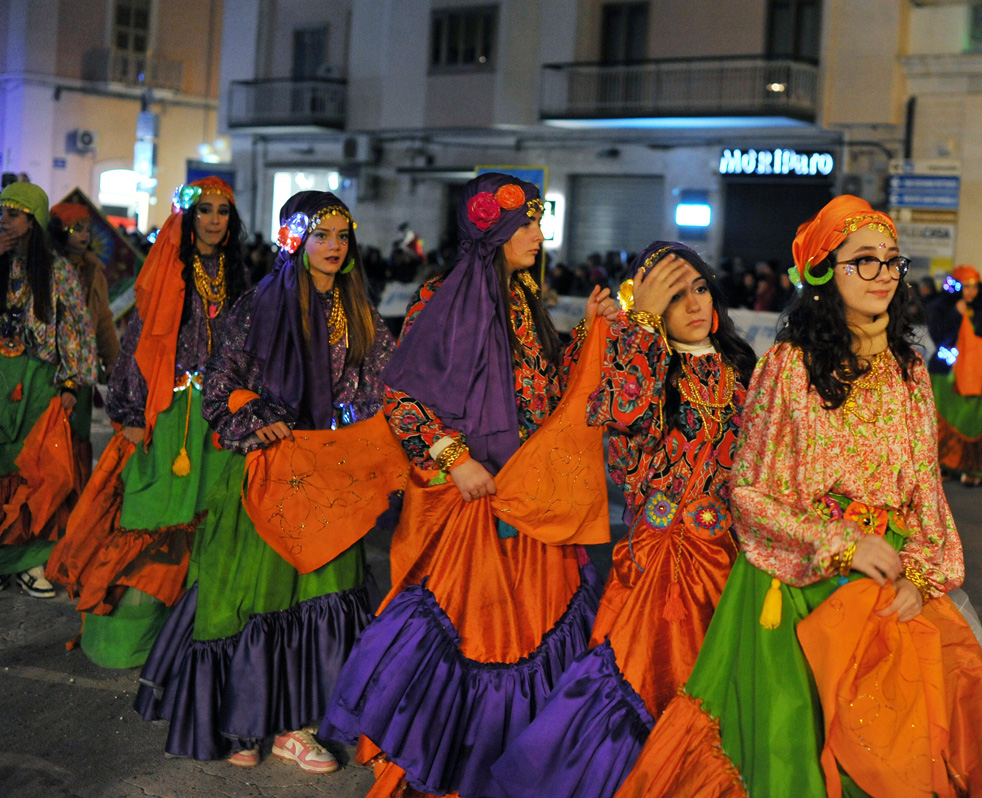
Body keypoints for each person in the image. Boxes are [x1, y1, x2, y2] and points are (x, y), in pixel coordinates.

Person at [614, 196, 982, 798]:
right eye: (864, 260)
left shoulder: (909, 370)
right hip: (799, 583)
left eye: (891, 260)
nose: (883, 274)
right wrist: (841, 543)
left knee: (894, 750)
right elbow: (751, 492)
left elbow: (927, 492)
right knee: (795, 753)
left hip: (888, 580)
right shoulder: (788, 366)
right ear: (824, 271)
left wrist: (920, 579)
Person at [320, 173, 618, 798]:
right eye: (527, 224)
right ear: (496, 230)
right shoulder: (444, 296)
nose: (539, 235)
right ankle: (457, 767)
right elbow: (402, 395)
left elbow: (549, 390)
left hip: (530, 497)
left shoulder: (526, 298)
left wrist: (589, 332)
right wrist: (454, 456)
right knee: (474, 636)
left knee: (537, 632)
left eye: (538, 223)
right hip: (472, 502)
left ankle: (519, 767)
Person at [133, 191, 396, 771]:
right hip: (267, 469)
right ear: (295, 238)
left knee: (320, 593)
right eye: (321, 235)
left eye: (342, 235)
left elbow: (384, 383)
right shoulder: (259, 304)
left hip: (326, 475)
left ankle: (296, 727)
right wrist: (256, 415)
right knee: (252, 593)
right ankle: (243, 721)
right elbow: (221, 381)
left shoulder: (359, 310)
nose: (334, 246)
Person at [489, 242, 757, 798]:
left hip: (732, 562)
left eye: (700, 289)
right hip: (662, 564)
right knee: (648, 680)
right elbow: (628, 417)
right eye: (674, 296)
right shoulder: (638, 366)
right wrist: (641, 326)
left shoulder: (741, 365)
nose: (694, 305)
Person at [46, 178, 249, 668]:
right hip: (167, 413)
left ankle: (195, 642)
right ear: (189, 217)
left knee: (211, 521)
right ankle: (128, 642)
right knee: (150, 516)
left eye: (223, 211)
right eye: (205, 210)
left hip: (216, 418)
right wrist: (133, 412)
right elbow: (141, 341)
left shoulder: (237, 275)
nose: (214, 220)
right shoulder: (168, 267)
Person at [0, 182, 97, 598]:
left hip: (40, 383)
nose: (5, 220)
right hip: (2, 378)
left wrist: (72, 382)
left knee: (37, 473)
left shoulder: (58, 271)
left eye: (14, 214)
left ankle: (30, 560)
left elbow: (78, 329)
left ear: (34, 221)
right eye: (2, 213)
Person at [926, 265, 982, 486]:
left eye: (975, 287)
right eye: (966, 286)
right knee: (947, 420)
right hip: (947, 373)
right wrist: (956, 314)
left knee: (975, 420)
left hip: (977, 375)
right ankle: (944, 465)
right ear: (956, 287)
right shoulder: (940, 307)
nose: (971, 292)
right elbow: (938, 335)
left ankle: (971, 466)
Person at [48, 202, 120, 381]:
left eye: (88, 229)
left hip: (83, 362)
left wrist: (112, 360)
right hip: (50, 360)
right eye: (77, 228)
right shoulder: (49, 267)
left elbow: (103, 319)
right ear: (61, 231)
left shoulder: (94, 272)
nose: (85, 234)